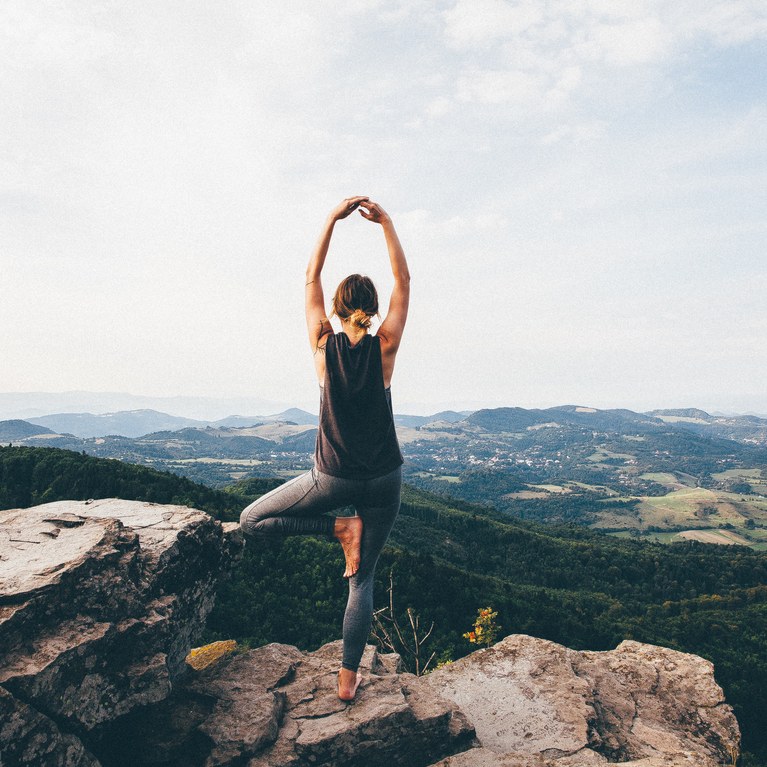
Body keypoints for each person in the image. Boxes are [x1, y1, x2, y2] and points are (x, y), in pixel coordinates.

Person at [239, 196, 410, 701]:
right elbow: (405, 283)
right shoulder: (385, 348)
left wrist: (331, 221)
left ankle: (338, 527)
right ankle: (348, 678)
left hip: (330, 478)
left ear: (337, 309)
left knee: (252, 520)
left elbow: (310, 277)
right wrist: (388, 225)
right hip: (384, 479)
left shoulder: (321, 344)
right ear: (372, 310)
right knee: (363, 581)